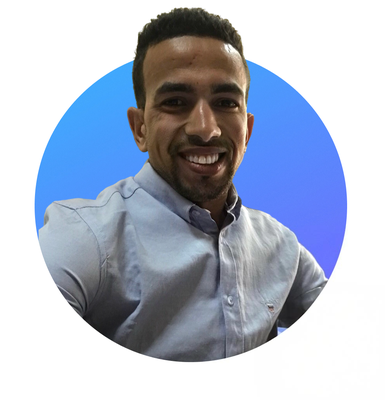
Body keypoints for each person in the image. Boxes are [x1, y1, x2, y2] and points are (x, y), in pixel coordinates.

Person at [39, 8, 327, 362]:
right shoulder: (84, 237)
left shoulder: (281, 245)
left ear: (247, 131)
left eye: (226, 103)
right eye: (175, 102)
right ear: (140, 129)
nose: (206, 129)